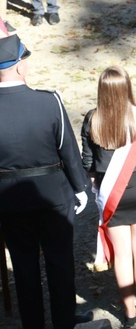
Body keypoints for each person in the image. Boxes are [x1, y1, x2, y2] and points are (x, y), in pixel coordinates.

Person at [0, 33, 90, 329]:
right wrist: (81, 187)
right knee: (59, 264)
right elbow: (68, 149)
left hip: (8, 200)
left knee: (24, 268)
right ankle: (64, 321)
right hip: (53, 196)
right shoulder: (48, 101)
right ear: (18, 67)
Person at [81, 66, 136, 328]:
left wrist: (98, 192)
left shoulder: (92, 119)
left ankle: (129, 312)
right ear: (127, 88)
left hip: (111, 191)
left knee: (121, 254)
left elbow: (89, 164)